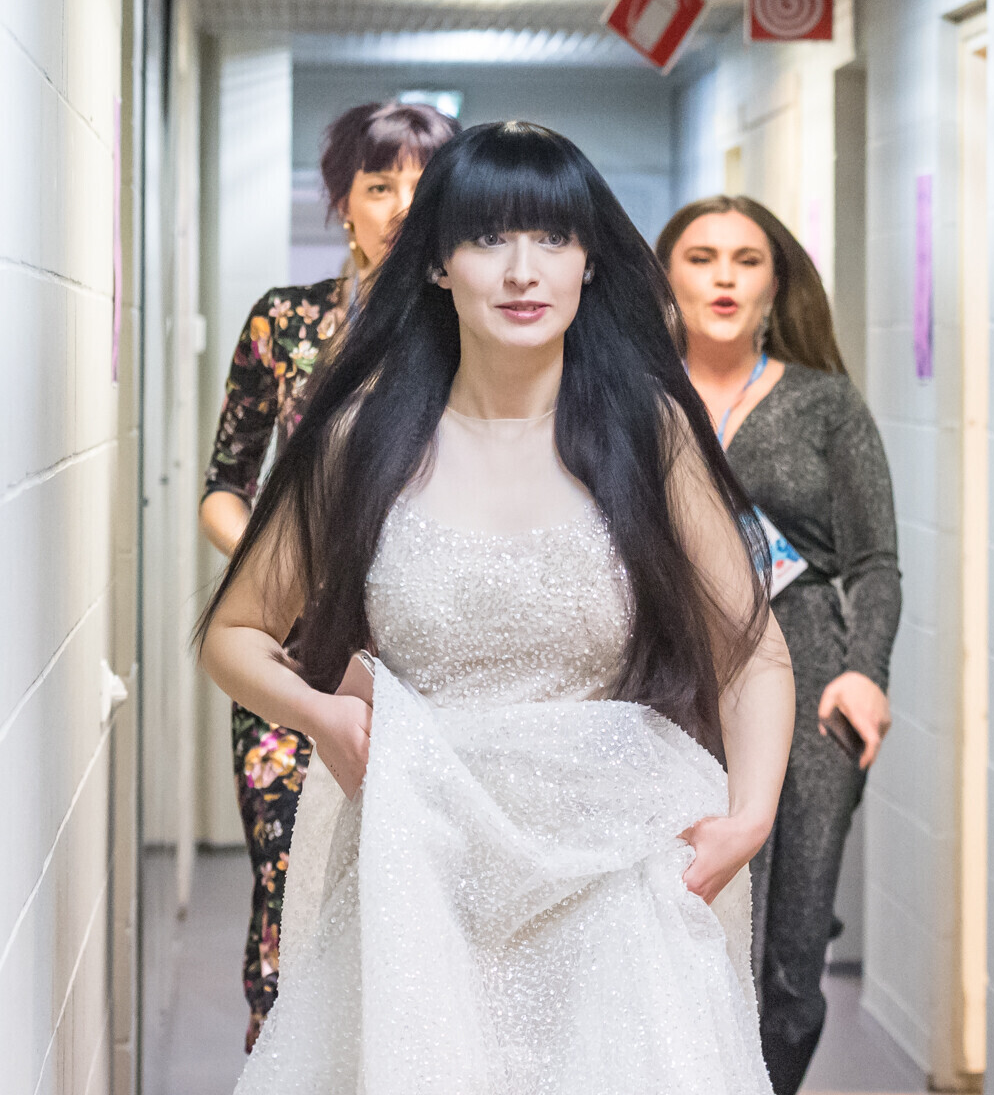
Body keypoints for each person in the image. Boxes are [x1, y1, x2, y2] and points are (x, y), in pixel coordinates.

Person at [199, 122, 795, 1092]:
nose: (523, 271)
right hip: (419, 866)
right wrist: (321, 716)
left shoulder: (646, 433)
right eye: (487, 239)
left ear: (588, 261)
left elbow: (753, 649)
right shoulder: (363, 438)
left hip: (615, 873)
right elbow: (234, 635)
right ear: (438, 263)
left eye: (553, 239)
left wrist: (751, 814)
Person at [199, 99, 459, 1050]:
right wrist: (282, 571)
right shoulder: (287, 322)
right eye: (378, 185)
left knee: (411, 900)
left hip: (430, 661)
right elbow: (224, 484)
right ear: (342, 203)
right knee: (287, 886)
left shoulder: (469, 331)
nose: (401, 206)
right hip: (294, 658)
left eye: (424, 187)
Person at [658, 195, 902, 1095]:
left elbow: (876, 563)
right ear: (667, 277)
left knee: (792, 965)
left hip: (809, 676)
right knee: (673, 926)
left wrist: (864, 673)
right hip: (669, 683)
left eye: (747, 259)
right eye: (702, 257)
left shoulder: (825, 404)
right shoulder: (636, 396)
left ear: (774, 284)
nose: (724, 276)